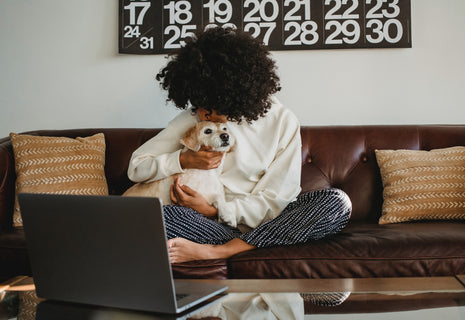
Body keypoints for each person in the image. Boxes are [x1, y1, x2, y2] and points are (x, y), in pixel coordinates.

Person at [127, 27, 351, 263]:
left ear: (234, 95)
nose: (203, 112)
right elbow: (136, 165)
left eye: (211, 104)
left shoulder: (282, 122)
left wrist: (215, 210)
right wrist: (182, 160)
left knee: (336, 202)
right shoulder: (196, 116)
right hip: (206, 227)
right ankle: (248, 246)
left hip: (261, 226)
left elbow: (277, 199)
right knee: (154, 217)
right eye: (199, 102)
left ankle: (223, 251)